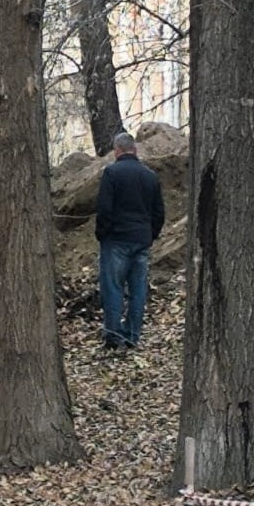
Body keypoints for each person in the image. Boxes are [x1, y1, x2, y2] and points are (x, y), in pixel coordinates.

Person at [95, 131, 164, 350]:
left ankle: (113, 335)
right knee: (138, 291)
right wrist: (150, 235)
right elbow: (159, 213)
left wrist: (102, 234)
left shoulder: (111, 174)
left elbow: (104, 209)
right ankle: (132, 335)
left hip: (116, 240)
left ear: (117, 150)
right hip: (141, 240)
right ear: (135, 150)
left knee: (113, 288)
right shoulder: (150, 176)